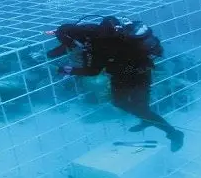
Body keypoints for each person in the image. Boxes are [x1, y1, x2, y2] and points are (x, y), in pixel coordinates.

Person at [46, 16, 185, 152]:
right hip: (144, 69)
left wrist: (63, 70)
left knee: (121, 103)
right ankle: (147, 119)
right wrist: (50, 54)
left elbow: (92, 71)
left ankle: (173, 133)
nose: (71, 47)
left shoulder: (96, 45)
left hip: (126, 76)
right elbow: (67, 44)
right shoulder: (91, 30)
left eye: (69, 43)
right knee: (141, 105)